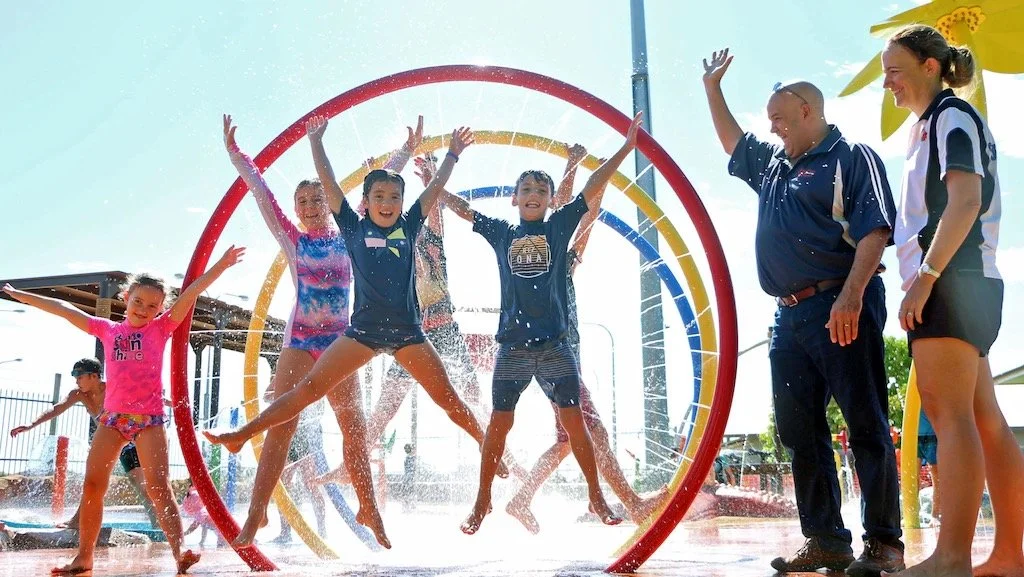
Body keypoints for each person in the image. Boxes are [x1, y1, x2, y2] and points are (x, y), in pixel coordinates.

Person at [205, 120, 480, 550]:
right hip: (299, 341)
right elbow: (261, 193)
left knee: (353, 432)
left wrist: (406, 152)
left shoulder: (351, 234)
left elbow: (380, 195)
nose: (313, 206)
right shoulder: (292, 238)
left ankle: (368, 508)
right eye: (304, 201)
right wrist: (237, 157)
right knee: (283, 421)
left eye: (317, 199)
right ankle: (257, 511)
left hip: (345, 340)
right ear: (295, 209)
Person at [702, 48, 904, 576]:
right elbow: (732, 143)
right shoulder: (774, 166)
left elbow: (877, 229)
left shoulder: (852, 157)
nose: (772, 129)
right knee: (798, 429)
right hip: (787, 316)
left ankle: (884, 544)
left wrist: (853, 295)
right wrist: (712, 90)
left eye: (780, 120)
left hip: (841, 301)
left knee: (865, 422)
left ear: (809, 111)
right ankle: (826, 541)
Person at [450, 112, 644, 535]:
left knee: (576, 425)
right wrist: (441, 178)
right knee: (499, 425)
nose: (533, 194)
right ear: (515, 199)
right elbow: (464, 210)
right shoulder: (502, 231)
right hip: (514, 349)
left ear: (552, 199)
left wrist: (625, 149)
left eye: (541, 190)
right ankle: (482, 500)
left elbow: (591, 192)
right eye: (526, 190)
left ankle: (596, 495)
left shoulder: (559, 228)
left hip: (555, 348)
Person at [882, 24, 1024, 577]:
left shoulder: (950, 118)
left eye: (895, 69)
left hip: (953, 280)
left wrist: (926, 275)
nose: (888, 81)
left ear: (929, 66)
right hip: (970, 281)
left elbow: (966, 199)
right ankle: (1010, 556)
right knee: (985, 417)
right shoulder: (935, 125)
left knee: (950, 414)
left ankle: (951, 558)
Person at [3, 248, 243, 574]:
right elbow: (64, 309)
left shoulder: (161, 328)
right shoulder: (108, 330)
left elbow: (192, 291)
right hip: (113, 419)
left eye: (153, 305)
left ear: (161, 308)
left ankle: (180, 550)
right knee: (92, 485)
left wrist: (223, 265)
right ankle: (83, 556)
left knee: (159, 486)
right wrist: (23, 296)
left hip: (149, 420)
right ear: (126, 297)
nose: (144, 309)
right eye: (138, 301)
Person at [504, 143, 666, 534]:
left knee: (566, 439)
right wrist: (573, 165)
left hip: (560, 356)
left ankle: (521, 499)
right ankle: (632, 503)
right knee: (592, 432)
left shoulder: (566, 264)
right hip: (551, 356)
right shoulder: (546, 261)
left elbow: (584, 216)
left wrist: (596, 185)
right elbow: (566, 215)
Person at [10, 358, 160, 530]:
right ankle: (77, 521)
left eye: (79, 376)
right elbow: (57, 408)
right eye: (75, 376)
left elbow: (142, 395)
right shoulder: (78, 394)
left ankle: (158, 526)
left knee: (141, 485)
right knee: (93, 481)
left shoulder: (113, 388)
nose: (76, 380)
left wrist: (164, 403)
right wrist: (31, 425)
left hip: (130, 441)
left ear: (94, 376)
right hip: (108, 442)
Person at [917, 412, 940, 524]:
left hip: (932, 434)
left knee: (936, 476)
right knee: (911, 474)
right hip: (913, 435)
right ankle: (911, 514)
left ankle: (935, 514)